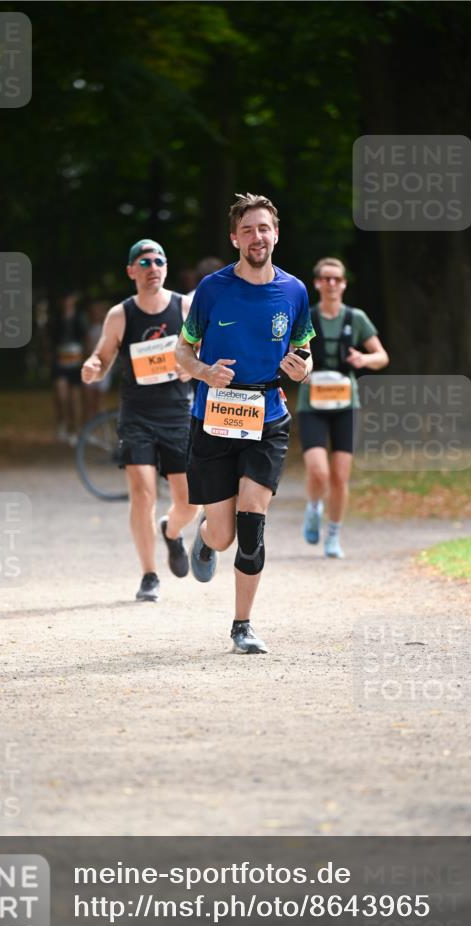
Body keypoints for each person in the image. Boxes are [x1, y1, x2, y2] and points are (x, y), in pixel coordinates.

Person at [175, 193, 314, 654]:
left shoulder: (293, 291)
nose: (258, 237)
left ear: (276, 234)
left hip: (267, 416)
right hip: (213, 418)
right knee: (224, 533)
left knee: (252, 527)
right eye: (249, 229)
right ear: (235, 238)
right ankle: (205, 537)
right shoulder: (212, 290)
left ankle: (242, 626)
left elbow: (303, 351)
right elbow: (182, 351)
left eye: (265, 228)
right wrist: (204, 372)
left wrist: (303, 369)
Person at [81, 239, 199, 602]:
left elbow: (209, 347)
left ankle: (171, 530)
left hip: (178, 412)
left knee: (190, 501)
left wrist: (191, 367)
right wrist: (92, 367)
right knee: (142, 493)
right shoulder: (121, 314)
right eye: (144, 262)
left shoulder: (185, 306)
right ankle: (149, 574)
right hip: (137, 414)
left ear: (166, 267)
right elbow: (102, 356)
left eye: (159, 260)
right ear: (132, 271)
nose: (153, 267)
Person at [298, 257, 389, 558]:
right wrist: (301, 370)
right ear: (317, 283)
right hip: (312, 403)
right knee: (318, 471)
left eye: (337, 279)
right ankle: (313, 507)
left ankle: (334, 534)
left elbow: (381, 356)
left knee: (339, 476)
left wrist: (364, 360)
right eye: (326, 278)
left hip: (346, 404)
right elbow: (290, 356)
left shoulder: (356, 318)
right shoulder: (306, 318)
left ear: (344, 283)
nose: (332, 284)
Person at [50, 291, 87, 446]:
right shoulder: (56, 319)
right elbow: (49, 340)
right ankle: (63, 423)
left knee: (75, 398)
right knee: (61, 395)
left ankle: (75, 429)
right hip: (60, 363)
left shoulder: (80, 319)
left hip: (76, 363)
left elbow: (86, 339)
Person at [83, 299, 112, 423]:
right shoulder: (89, 329)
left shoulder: (107, 329)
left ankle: (99, 428)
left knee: (100, 402)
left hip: (103, 369)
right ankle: (89, 428)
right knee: (89, 402)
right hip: (91, 367)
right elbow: (88, 348)